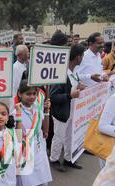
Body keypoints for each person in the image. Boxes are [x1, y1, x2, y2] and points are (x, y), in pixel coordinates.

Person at [14, 80, 52, 186]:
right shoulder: (15, 111)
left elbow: (44, 128)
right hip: (24, 151)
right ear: (20, 94)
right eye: (27, 94)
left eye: (34, 94)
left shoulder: (37, 108)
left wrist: (47, 111)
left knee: (43, 180)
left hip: (39, 147)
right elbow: (16, 137)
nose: (31, 97)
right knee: (27, 185)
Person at [49, 44, 86, 172]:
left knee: (70, 136)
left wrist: (79, 87)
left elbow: (72, 89)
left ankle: (68, 159)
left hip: (72, 111)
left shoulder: (73, 73)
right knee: (59, 136)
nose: (83, 58)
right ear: (77, 57)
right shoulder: (61, 73)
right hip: (62, 112)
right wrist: (70, 95)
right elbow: (53, 98)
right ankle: (54, 159)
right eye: (82, 56)